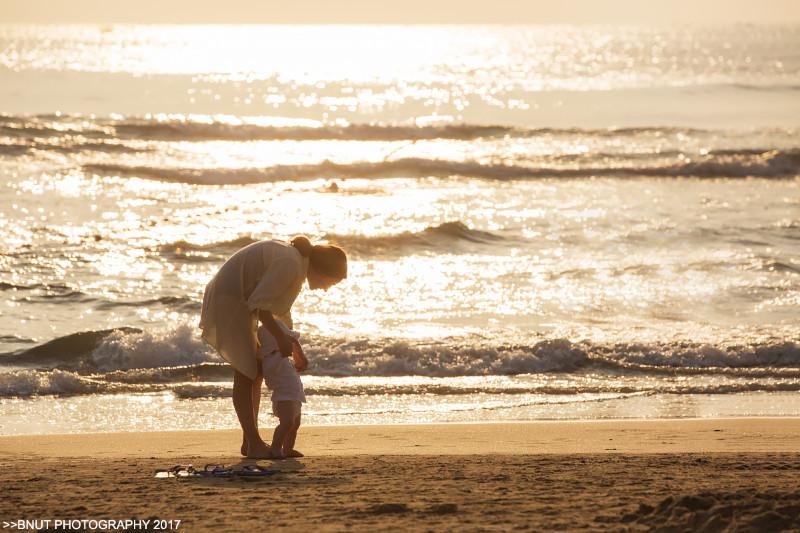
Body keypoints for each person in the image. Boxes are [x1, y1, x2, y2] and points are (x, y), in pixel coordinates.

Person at [199, 236, 347, 458]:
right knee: (246, 370)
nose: (326, 289)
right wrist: (279, 339)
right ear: (321, 269)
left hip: (241, 298)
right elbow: (261, 306)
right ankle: (253, 442)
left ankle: (250, 442)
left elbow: (279, 315)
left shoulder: (296, 267)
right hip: (229, 297)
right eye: (330, 282)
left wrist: (293, 346)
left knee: (256, 369)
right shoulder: (291, 264)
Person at [257, 321, 307, 459]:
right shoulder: (272, 359)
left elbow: (293, 347)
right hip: (283, 397)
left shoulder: (282, 358)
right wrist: (290, 346)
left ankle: (288, 448)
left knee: (295, 424)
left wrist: (295, 348)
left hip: (294, 396)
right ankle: (275, 447)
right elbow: (270, 376)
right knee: (287, 424)